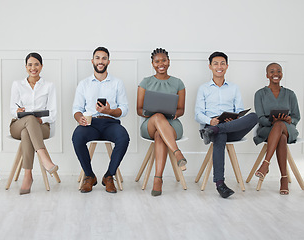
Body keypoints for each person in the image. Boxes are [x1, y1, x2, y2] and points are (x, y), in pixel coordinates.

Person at [195, 51, 258, 198]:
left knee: (254, 116)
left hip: (230, 127)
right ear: (210, 66)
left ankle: (216, 129)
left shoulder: (234, 87)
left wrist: (235, 119)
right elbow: (197, 114)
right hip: (210, 125)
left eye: (222, 63)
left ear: (227, 66)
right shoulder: (203, 88)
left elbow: (240, 111)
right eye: (216, 63)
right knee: (220, 135)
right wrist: (210, 122)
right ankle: (220, 185)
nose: (219, 66)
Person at [72, 47, 129, 194]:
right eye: (97, 58)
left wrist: (109, 111)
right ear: (92, 61)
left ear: (108, 62)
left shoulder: (117, 83)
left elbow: (124, 109)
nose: (100, 61)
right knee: (77, 136)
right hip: (90, 123)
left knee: (124, 137)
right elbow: (76, 109)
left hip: (110, 123)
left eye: (104, 58)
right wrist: (80, 119)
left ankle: (109, 176)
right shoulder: (84, 84)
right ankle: (89, 176)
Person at [136, 48, 187, 197]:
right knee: (158, 117)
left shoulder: (178, 83)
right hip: (150, 124)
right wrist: (154, 112)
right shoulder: (145, 82)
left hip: (172, 124)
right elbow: (139, 109)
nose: (161, 64)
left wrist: (170, 113)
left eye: (164, 60)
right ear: (152, 64)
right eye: (157, 61)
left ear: (169, 62)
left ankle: (158, 179)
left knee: (160, 135)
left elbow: (181, 110)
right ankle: (177, 153)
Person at [10, 52, 58, 195]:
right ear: (25, 67)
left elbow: (53, 112)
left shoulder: (49, 86)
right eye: (30, 65)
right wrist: (17, 111)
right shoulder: (17, 85)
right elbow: (12, 109)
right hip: (17, 125)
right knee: (29, 119)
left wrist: (41, 120)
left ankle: (27, 176)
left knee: (28, 131)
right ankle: (44, 158)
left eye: (36, 64)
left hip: (42, 126)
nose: (33, 67)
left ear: (41, 66)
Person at [253, 63, 300, 195]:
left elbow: (297, 116)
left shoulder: (290, 94)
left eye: (278, 71)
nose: (276, 74)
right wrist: (270, 121)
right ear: (267, 75)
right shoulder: (260, 94)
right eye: (272, 71)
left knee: (280, 125)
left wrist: (290, 120)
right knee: (281, 135)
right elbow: (260, 117)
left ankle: (265, 164)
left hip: (288, 127)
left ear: (282, 74)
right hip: (267, 129)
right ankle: (283, 178)